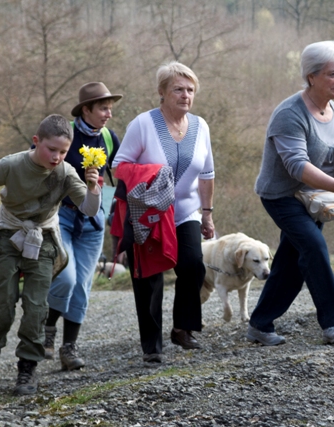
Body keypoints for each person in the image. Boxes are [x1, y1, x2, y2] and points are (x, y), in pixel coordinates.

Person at [0, 114, 101, 395]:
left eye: (63, 151)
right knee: (2, 304)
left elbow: (89, 209)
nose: (57, 157)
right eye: (52, 149)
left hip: (44, 239)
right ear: (36, 142)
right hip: (9, 235)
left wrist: (94, 189)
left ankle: (28, 368)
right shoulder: (12, 165)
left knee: (36, 307)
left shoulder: (67, 173)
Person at [248, 40, 334, 347]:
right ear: (311, 76)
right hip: (282, 196)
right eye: (331, 74)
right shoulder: (289, 114)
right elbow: (297, 165)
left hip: (317, 199)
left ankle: (259, 323)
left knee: (291, 259)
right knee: (313, 247)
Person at [112, 61, 214, 364]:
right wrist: (154, 172)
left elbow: (207, 173)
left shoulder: (201, 126)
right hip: (149, 213)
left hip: (186, 211)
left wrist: (207, 213)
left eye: (190, 90)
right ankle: (152, 345)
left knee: (194, 265)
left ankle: (182, 327)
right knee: (150, 277)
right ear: (162, 92)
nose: (185, 95)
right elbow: (118, 166)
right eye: (178, 89)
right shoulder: (143, 124)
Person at [43, 82, 122, 371]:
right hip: (61, 217)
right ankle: (48, 330)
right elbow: (37, 159)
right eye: (103, 108)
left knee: (83, 287)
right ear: (86, 109)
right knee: (66, 278)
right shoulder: (66, 135)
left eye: (110, 108)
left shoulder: (109, 138)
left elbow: (121, 172)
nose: (108, 114)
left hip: (94, 220)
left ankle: (69, 348)